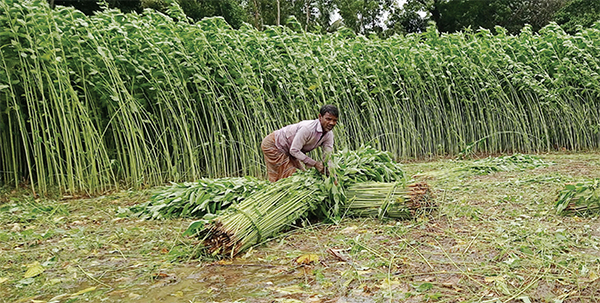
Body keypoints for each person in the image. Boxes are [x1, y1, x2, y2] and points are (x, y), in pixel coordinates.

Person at [261, 104, 339, 182]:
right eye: (328, 119)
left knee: (301, 174)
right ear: (320, 117)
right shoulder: (308, 129)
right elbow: (294, 150)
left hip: (290, 150)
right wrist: (314, 164)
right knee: (289, 177)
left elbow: (328, 157)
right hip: (274, 144)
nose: (331, 123)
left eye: (334, 120)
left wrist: (333, 177)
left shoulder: (329, 134)